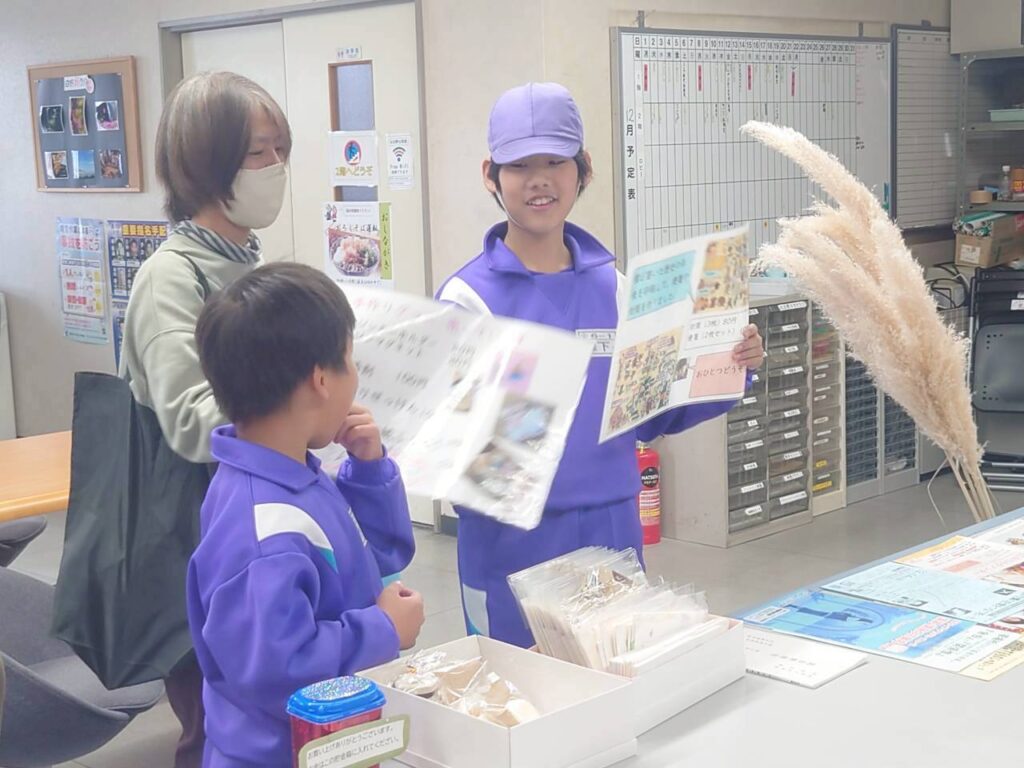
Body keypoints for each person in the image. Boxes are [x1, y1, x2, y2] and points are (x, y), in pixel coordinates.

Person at [436, 82, 766, 647]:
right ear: (491, 175)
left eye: (555, 162)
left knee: (612, 681)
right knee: (522, 689)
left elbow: (653, 411)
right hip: (514, 538)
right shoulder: (469, 300)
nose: (539, 179)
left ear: (583, 170)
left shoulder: (615, 289)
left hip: (613, 525)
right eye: (520, 165)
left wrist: (731, 363)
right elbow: (453, 444)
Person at [118, 71, 292, 768]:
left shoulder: (242, 263)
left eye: (281, 149)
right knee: (210, 727)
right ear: (205, 163)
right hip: (199, 540)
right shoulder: (172, 276)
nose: (276, 167)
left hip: (253, 534)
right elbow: (193, 422)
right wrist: (296, 393)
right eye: (258, 153)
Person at [189, 262, 423, 768]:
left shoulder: (295, 475)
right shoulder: (261, 527)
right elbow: (277, 670)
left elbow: (374, 562)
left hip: (338, 740)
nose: (354, 376)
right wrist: (382, 629)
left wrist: (368, 471)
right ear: (320, 379)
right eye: (349, 359)